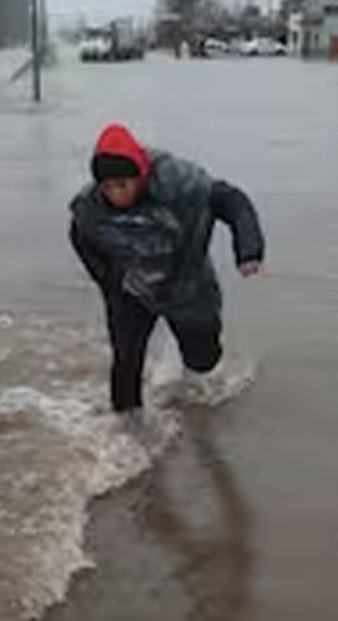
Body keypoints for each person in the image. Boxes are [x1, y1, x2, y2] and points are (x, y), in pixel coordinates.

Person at [69, 123, 265, 413]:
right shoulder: (90, 205)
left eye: (123, 184)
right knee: (126, 360)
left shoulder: (179, 182)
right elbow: (80, 236)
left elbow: (232, 201)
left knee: (204, 362)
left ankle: (185, 375)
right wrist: (109, 280)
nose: (116, 194)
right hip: (132, 286)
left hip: (188, 283)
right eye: (108, 187)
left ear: (140, 175)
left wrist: (248, 251)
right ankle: (129, 431)